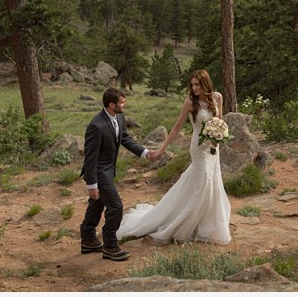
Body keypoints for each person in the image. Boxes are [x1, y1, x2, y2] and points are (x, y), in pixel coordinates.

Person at [116, 69, 232, 245]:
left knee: (213, 182)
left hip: (213, 147)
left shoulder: (217, 97)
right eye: (192, 85)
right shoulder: (190, 103)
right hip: (198, 148)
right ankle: (180, 225)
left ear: (205, 84)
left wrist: (219, 136)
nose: (193, 88)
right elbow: (176, 128)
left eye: (197, 84)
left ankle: (206, 224)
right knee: (203, 184)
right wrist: (162, 149)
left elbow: (220, 122)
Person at [79, 87, 159, 262]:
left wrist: (145, 152)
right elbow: (90, 157)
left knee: (97, 204)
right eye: (122, 102)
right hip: (99, 173)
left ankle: (88, 240)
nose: (125, 105)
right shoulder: (96, 126)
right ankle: (110, 246)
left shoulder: (120, 117)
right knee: (116, 207)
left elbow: (125, 139)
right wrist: (91, 184)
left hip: (108, 171)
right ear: (111, 104)